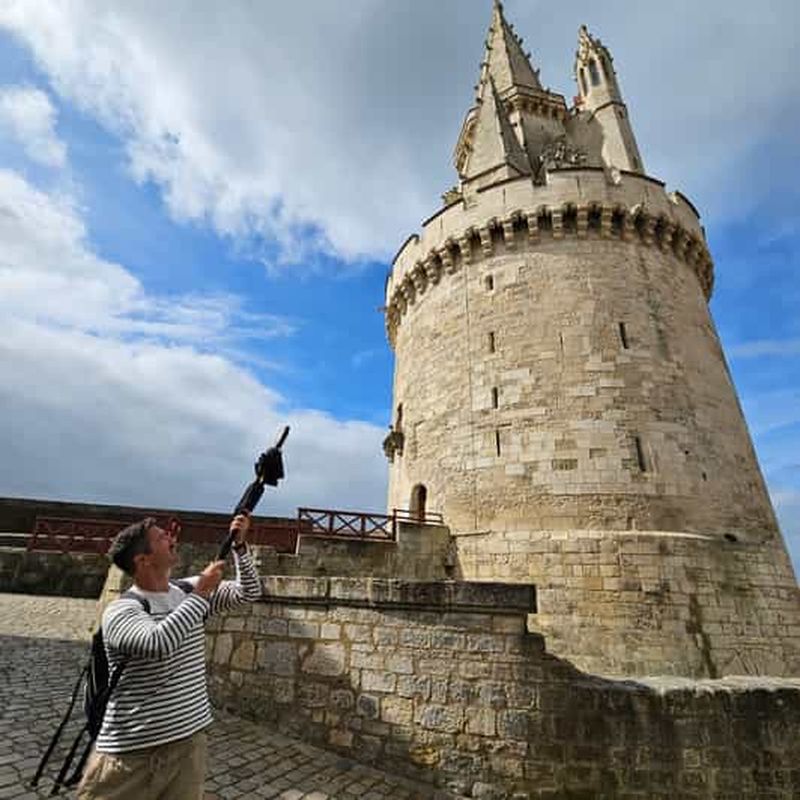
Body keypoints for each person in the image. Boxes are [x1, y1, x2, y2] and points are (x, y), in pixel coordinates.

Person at [77, 512, 261, 800]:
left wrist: (239, 546)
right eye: (163, 538)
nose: (172, 539)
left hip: (188, 747)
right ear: (143, 560)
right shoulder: (122, 611)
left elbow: (248, 592)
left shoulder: (185, 589)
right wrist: (201, 595)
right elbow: (159, 644)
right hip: (131, 755)